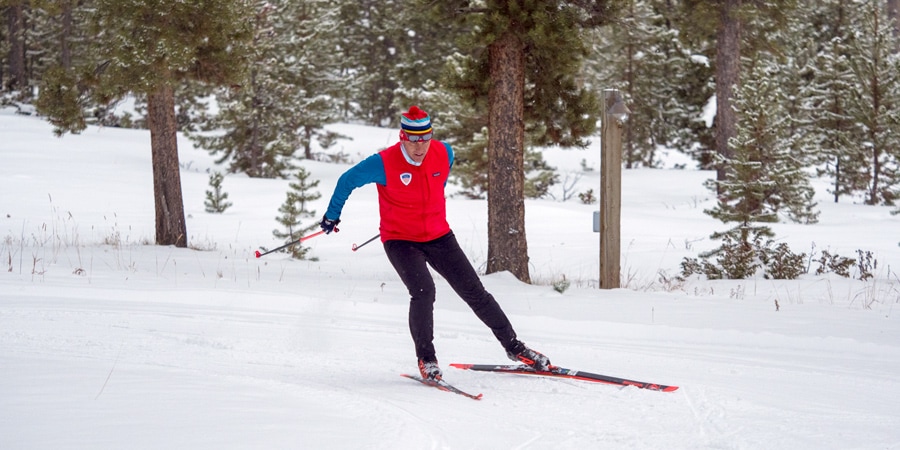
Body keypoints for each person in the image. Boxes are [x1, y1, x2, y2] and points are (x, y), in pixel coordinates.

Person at [319, 105, 551, 381]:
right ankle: (427, 359)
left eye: (425, 138)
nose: (420, 146)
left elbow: (435, 183)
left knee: (475, 292)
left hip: (439, 236)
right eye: (413, 139)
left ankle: (515, 348)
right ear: (402, 136)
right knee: (424, 292)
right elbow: (347, 181)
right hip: (401, 240)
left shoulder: (445, 152)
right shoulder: (383, 162)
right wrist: (332, 216)